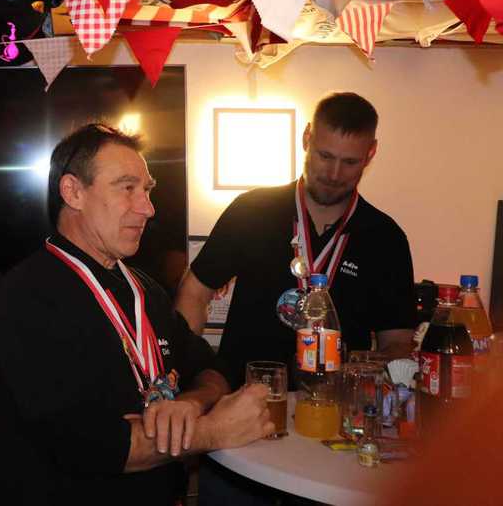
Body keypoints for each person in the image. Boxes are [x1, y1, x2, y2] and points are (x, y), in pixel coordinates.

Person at [0, 123, 273, 505]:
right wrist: (210, 431)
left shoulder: (144, 289)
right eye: (127, 188)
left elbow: (212, 369)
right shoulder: (26, 296)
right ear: (73, 192)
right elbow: (89, 445)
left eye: (147, 190)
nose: (148, 208)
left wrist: (188, 404)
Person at [175, 93, 417, 506]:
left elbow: (397, 343)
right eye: (324, 156)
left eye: (350, 162)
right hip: (240, 421)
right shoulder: (252, 210)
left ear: (371, 153)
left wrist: (367, 374)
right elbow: (194, 292)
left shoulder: (386, 238)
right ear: (306, 138)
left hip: (332, 434)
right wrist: (189, 376)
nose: (334, 174)